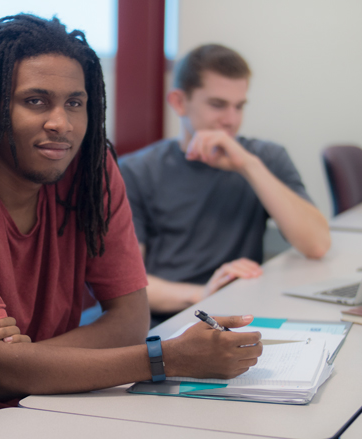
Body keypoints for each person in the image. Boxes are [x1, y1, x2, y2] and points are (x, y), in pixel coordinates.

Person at [0, 16, 263, 439]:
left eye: (75, 103)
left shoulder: (90, 172)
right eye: (36, 101)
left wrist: (22, 361)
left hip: (41, 390)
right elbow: (2, 375)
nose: (61, 123)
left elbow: (129, 321)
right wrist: (167, 358)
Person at [119, 44, 331, 326]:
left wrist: (248, 166)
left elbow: (316, 245)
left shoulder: (264, 158)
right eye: (217, 105)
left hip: (241, 314)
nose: (231, 120)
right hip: (168, 318)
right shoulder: (136, 170)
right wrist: (205, 294)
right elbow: (125, 286)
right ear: (179, 102)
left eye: (239, 106)